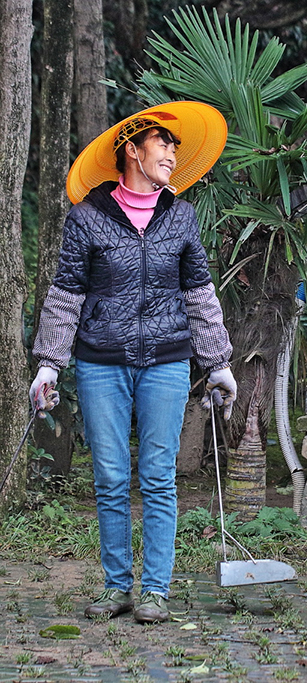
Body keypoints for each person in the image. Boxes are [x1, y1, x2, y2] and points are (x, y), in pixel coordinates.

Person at [30, 101, 237, 624]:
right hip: (101, 362)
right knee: (110, 476)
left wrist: (218, 363)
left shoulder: (181, 215)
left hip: (167, 360)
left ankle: (157, 591)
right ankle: (117, 586)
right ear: (132, 149)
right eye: (163, 142)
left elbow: (199, 294)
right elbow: (65, 294)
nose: (172, 151)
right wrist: (50, 363)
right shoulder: (87, 218)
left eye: (175, 145)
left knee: (159, 475)